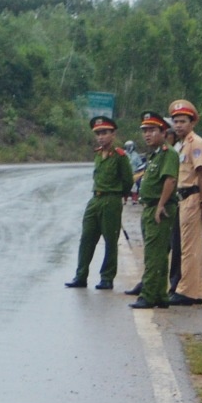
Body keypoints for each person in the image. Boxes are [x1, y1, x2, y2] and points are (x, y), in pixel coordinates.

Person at [69, 115, 132, 290]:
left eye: (104, 133)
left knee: (110, 240)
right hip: (95, 198)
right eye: (98, 133)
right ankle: (80, 276)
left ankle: (107, 277)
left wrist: (120, 195)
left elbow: (128, 180)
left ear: (113, 134)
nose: (101, 137)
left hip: (111, 200)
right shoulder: (98, 154)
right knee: (87, 238)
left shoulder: (119, 156)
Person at [131, 111, 179, 309]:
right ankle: (160, 295)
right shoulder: (155, 154)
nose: (147, 134)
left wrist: (160, 205)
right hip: (149, 208)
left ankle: (148, 295)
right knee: (156, 253)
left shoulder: (168, 154)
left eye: (152, 130)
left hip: (160, 209)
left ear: (163, 132)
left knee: (154, 255)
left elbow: (170, 180)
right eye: (145, 131)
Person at [169, 100, 202, 306]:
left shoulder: (195, 143)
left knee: (189, 247)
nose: (178, 125)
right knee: (185, 245)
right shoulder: (182, 144)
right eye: (176, 121)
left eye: (183, 121)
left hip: (192, 197)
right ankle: (192, 290)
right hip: (183, 198)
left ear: (192, 122)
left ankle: (187, 292)